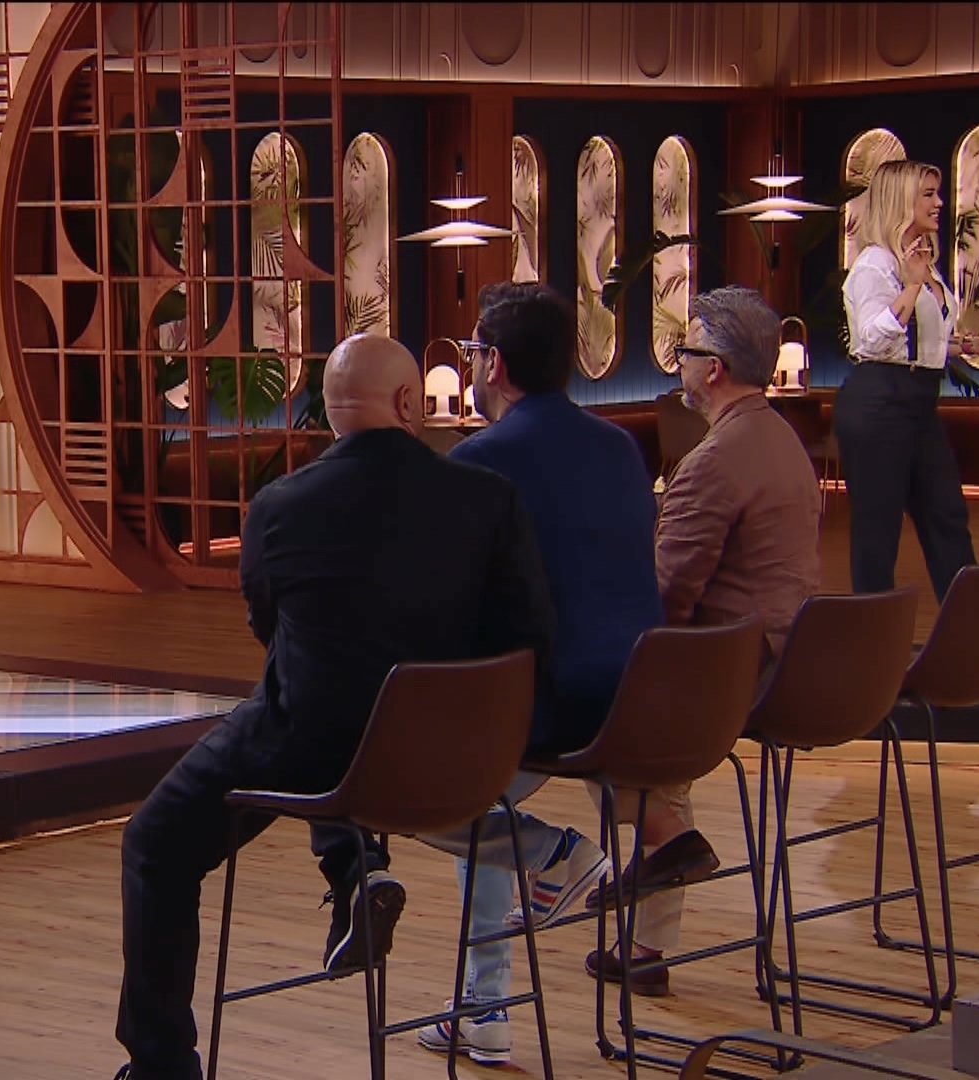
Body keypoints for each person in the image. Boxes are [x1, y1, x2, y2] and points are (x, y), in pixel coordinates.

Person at [111, 333, 557, 1080]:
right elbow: (528, 635)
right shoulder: (489, 498)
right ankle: (356, 867)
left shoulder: (279, 506)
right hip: (453, 753)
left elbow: (266, 625)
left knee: (155, 845)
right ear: (410, 402)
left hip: (312, 741)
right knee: (337, 701)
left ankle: (163, 1066)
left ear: (330, 409)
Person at [409, 282, 664, 1065]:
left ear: (495, 364)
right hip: (643, 700)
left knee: (424, 785)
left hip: (550, 706)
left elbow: (447, 601)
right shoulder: (621, 447)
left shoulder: (479, 460)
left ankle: (546, 866)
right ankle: (485, 1001)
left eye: (473, 352)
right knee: (478, 786)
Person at [583, 286, 822, 998]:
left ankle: (639, 852)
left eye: (684, 352)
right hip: (791, 659)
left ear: (713, 369)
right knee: (647, 736)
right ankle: (648, 939)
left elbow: (666, 597)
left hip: (737, 670)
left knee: (586, 705)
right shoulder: (784, 440)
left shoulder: (715, 460)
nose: (678, 364)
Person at [836, 158, 979, 600]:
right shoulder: (875, 266)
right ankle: (873, 632)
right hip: (878, 402)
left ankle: (969, 628)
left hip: (918, 402)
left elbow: (915, 342)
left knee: (947, 516)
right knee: (878, 532)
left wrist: (970, 346)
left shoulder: (922, 261)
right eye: (929, 194)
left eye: (938, 193)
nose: (939, 203)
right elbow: (872, 340)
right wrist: (912, 287)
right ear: (900, 200)